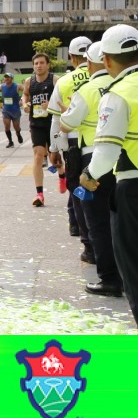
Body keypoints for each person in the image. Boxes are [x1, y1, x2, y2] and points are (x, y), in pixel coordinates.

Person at [79, 24, 138, 325]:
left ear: (107, 60)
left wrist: (87, 176)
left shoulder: (117, 94)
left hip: (133, 188)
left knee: (133, 267)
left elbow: (106, 153)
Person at [60, 41, 121, 291]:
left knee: (97, 220)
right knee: (123, 221)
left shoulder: (86, 89)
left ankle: (109, 278)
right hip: (125, 161)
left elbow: (67, 123)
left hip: (93, 159)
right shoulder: (122, 85)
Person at [48, 36, 92, 238]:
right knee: (100, 188)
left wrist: (54, 149)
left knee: (76, 189)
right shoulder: (103, 78)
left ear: (72, 58)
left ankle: (83, 232)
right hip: (101, 143)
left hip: (72, 144)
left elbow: (56, 120)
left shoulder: (64, 82)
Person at [21, 53, 61, 207]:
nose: (39, 66)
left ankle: (62, 176)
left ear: (48, 65)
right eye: (36, 63)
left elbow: (64, 98)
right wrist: (25, 104)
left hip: (53, 123)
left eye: (42, 63)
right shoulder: (29, 81)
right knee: (38, 156)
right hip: (36, 123)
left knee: (54, 158)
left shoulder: (55, 80)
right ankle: (39, 194)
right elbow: (25, 95)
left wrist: (51, 105)